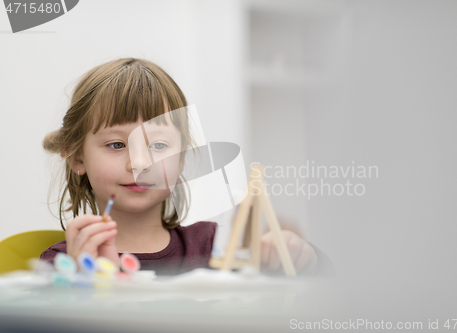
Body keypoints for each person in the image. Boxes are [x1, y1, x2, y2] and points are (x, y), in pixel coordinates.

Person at [40, 58, 322, 275]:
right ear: (78, 159)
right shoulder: (62, 264)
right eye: (116, 145)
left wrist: (304, 259)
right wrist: (82, 286)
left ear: (182, 159)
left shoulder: (214, 249)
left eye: (159, 146)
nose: (139, 163)